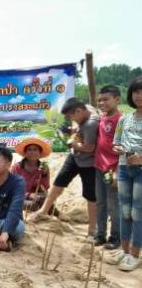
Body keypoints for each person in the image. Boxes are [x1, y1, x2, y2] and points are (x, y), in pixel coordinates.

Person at [30, 98, 99, 239]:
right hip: (74, 157)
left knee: (90, 195)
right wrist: (69, 131)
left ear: (79, 111)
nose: (70, 120)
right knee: (59, 182)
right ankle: (43, 211)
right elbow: (78, 130)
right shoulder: (86, 109)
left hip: (88, 163)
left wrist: (73, 144)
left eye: (71, 117)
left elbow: (90, 148)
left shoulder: (91, 124)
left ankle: (92, 228)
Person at [105, 77, 142, 271]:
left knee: (138, 213)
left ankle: (135, 254)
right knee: (125, 211)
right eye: (136, 92)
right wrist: (119, 149)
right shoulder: (124, 119)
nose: (139, 96)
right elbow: (116, 142)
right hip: (124, 169)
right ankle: (124, 250)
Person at [94, 85, 122, 249]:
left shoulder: (121, 121)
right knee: (100, 202)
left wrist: (118, 171)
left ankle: (115, 238)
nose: (102, 103)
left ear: (117, 99)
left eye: (106, 99)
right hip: (99, 166)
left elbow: (124, 149)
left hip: (112, 169)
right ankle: (100, 235)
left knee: (113, 205)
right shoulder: (101, 118)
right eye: (99, 100)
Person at [11, 137, 51, 211]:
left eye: (35, 149)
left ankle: (56, 213)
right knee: (32, 205)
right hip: (19, 197)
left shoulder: (44, 167)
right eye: (29, 150)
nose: (32, 152)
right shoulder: (17, 167)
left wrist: (44, 174)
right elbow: (12, 188)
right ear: (25, 152)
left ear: (39, 153)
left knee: (46, 198)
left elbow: (45, 187)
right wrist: (29, 195)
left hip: (37, 197)